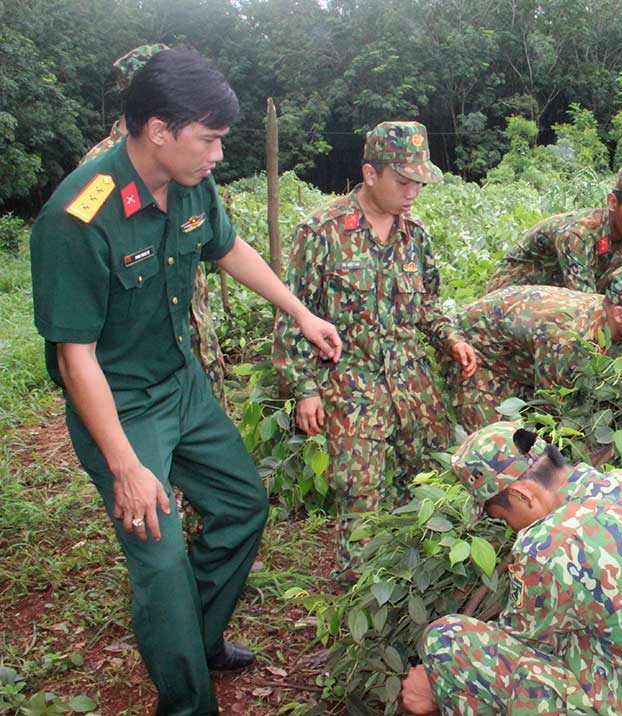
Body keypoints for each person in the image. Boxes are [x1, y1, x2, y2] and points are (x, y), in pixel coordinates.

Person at [29, 48, 342, 715]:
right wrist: (125, 467)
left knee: (243, 506)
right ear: (157, 129)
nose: (217, 154)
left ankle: (194, 638)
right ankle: (185, 700)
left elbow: (226, 248)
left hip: (183, 384)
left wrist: (301, 312)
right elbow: (74, 358)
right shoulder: (76, 219)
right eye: (209, 138)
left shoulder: (191, 181)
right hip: (120, 405)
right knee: (162, 563)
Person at [400, 422, 622, 716]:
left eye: (502, 518)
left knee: (448, 644)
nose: (511, 529)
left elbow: (519, 644)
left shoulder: (546, 546)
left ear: (523, 495)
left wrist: (432, 684)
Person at [273, 120, 477, 580]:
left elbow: (426, 301)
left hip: (412, 381)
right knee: (359, 493)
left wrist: (451, 338)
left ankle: (423, 585)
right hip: (352, 382)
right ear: (370, 174)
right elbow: (294, 312)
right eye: (403, 182)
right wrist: (305, 388)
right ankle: (360, 593)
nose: (412, 194)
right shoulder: (322, 231)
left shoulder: (416, 235)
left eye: (419, 184)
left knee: (430, 483)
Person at [82, 45, 229, 408]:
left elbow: (221, 242)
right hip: (136, 374)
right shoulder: (99, 173)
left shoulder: (187, 161)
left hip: (194, 338)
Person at [445, 261, 622, 430]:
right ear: (620, 313)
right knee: (501, 454)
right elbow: (554, 415)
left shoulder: (609, 318)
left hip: (518, 350)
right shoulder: (570, 342)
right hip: (473, 352)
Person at [484, 160, 622, 293]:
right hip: (512, 297)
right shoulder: (578, 234)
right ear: (612, 203)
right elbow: (585, 306)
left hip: (554, 292)